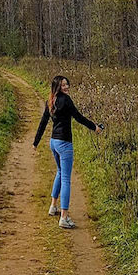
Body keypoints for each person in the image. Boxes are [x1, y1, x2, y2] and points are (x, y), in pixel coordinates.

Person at [33, 74, 103, 229]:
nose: (66, 87)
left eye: (67, 85)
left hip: (53, 142)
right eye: (63, 85)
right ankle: (64, 217)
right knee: (65, 179)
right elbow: (78, 117)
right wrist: (95, 127)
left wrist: (36, 142)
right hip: (64, 144)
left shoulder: (50, 100)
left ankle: (53, 207)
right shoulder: (66, 100)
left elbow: (44, 122)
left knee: (59, 172)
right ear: (58, 86)